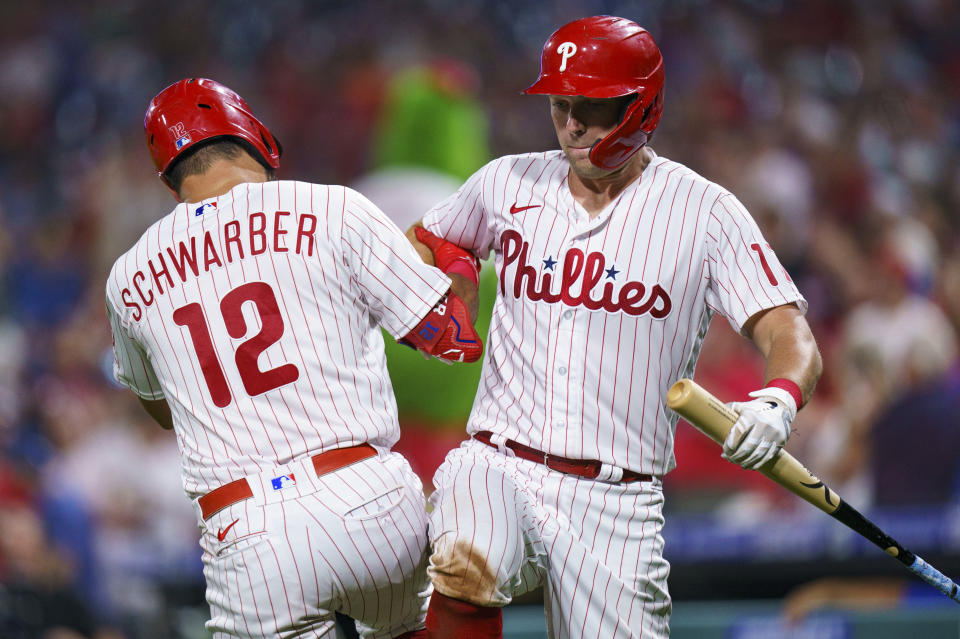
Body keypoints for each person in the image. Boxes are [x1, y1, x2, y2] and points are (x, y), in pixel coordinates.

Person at [406, 16, 822, 639]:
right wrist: (454, 274)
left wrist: (778, 401)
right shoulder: (506, 180)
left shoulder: (704, 211)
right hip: (500, 459)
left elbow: (790, 332)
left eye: (591, 107)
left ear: (641, 105)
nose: (571, 124)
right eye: (560, 103)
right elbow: (434, 238)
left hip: (617, 502)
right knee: (467, 557)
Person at [104, 78, 483, 639]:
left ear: (170, 177)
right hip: (369, 497)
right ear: (254, 137)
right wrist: (458, 267)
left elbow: (161, 410)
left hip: (247, 529)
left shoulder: (128, 278)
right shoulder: (331, 206)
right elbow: (448, 338)